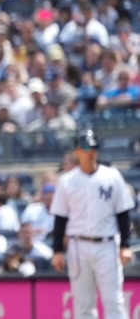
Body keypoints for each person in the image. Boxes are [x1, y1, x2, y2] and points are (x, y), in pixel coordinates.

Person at [51, 130, 134, 319]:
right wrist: (57, 251)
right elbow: (60, 218)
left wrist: (125, 245)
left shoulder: (112, 176)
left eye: (94, 147)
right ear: (77, 151)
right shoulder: (67, 181)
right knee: (83, 304)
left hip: (107, 245)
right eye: (86, 147)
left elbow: (123, 213)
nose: (91, 151)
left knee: (114, 300)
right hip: (78, 246)